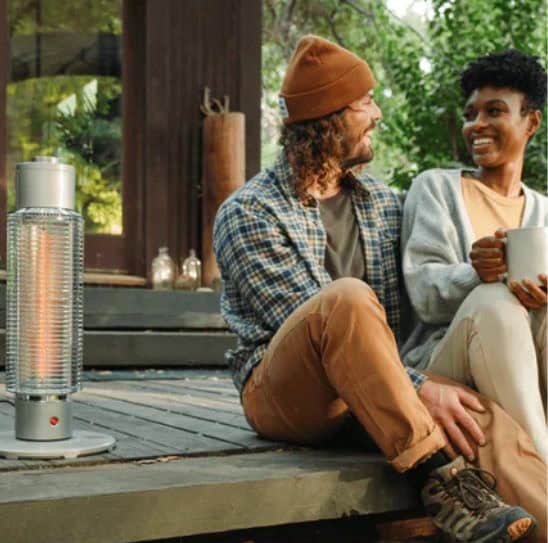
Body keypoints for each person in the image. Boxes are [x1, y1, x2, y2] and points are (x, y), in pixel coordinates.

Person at [214, 35, 544, 542]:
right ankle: (441, 481)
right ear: (328, 118)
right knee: (345, 299)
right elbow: (308, 325)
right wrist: (420, 387)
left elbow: (423, 302)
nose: (378, 113)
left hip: (387, 387)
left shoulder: (383, 204)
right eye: (364, 102)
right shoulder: (249, 212)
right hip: (291, 397)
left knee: (479, 421)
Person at [401, 50, 548, 459]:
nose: (477, 125)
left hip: (526, 364)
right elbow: (425, 296)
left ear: (531, 122)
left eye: (494, 111)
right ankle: (541, 464)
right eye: (471, 114)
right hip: (442, 362)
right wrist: (475, 275)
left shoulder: (544, 211)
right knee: (495, 299)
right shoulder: (436, 189)